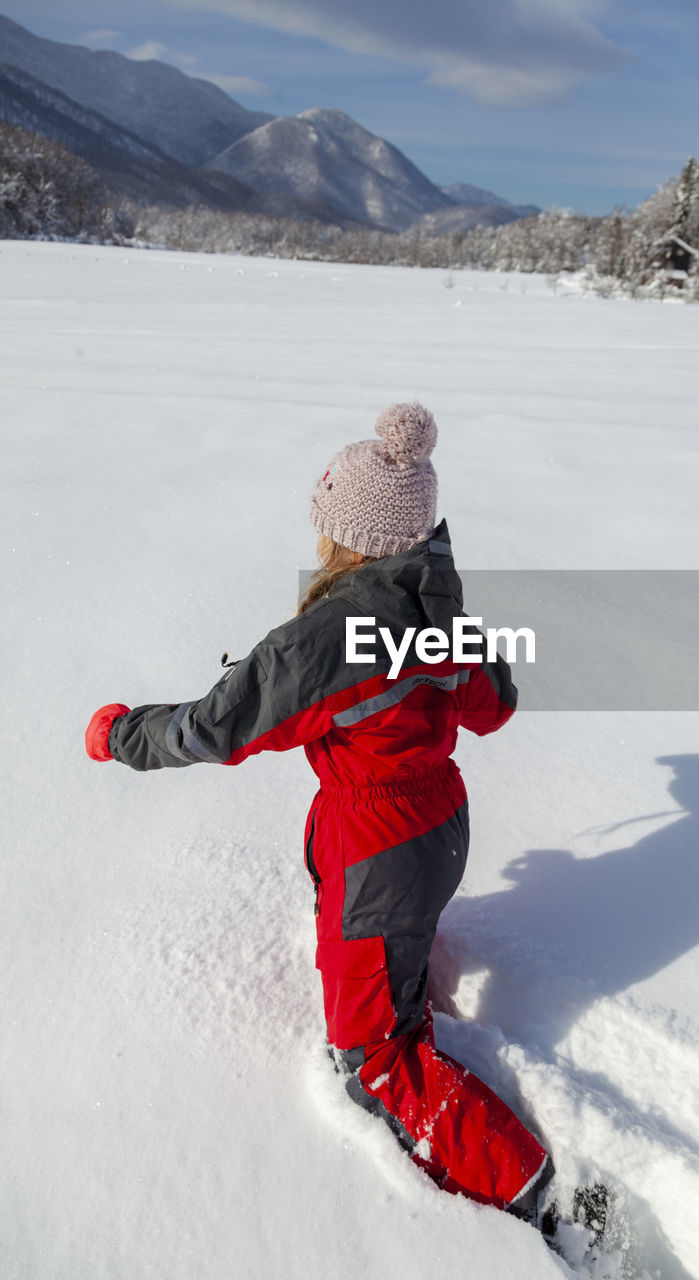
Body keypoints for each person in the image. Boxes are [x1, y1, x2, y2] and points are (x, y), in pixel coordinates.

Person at [85, 401, 567, 1233]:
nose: (314, 538)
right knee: (381, 943)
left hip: (376, 846)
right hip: (434, 825)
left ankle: (530, 1190)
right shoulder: (438, 608)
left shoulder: (323, 639)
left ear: (350, 536)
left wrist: (121, 733)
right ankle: (396, 981)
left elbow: (215, 726)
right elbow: (494, 706)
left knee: (374, 1058)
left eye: (324, 522)